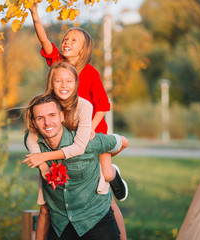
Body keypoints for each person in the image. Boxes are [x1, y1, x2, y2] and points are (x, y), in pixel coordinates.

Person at [29, 3, 127, 239]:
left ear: (84, 50)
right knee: (61, 184)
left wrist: (90, 130)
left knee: (105, 181)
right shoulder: (58, 66)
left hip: (92, 129)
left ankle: (115, 176)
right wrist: (34, 15)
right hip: (68, 132)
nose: (67, 42)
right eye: (66, 38)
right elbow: (44, 42)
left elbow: (103, 107)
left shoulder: (90, 73)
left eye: (74, 40)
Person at [24, 93, 128, 239]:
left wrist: (98, 163)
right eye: (40, 118)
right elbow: (28, 137)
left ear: (62, 116)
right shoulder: (36, 146)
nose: (47, 122)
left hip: (95, 221)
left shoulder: (86, 141)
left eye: (52, 115)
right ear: (34, 123)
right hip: (61, 226)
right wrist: (42, 165)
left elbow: (123, 142)